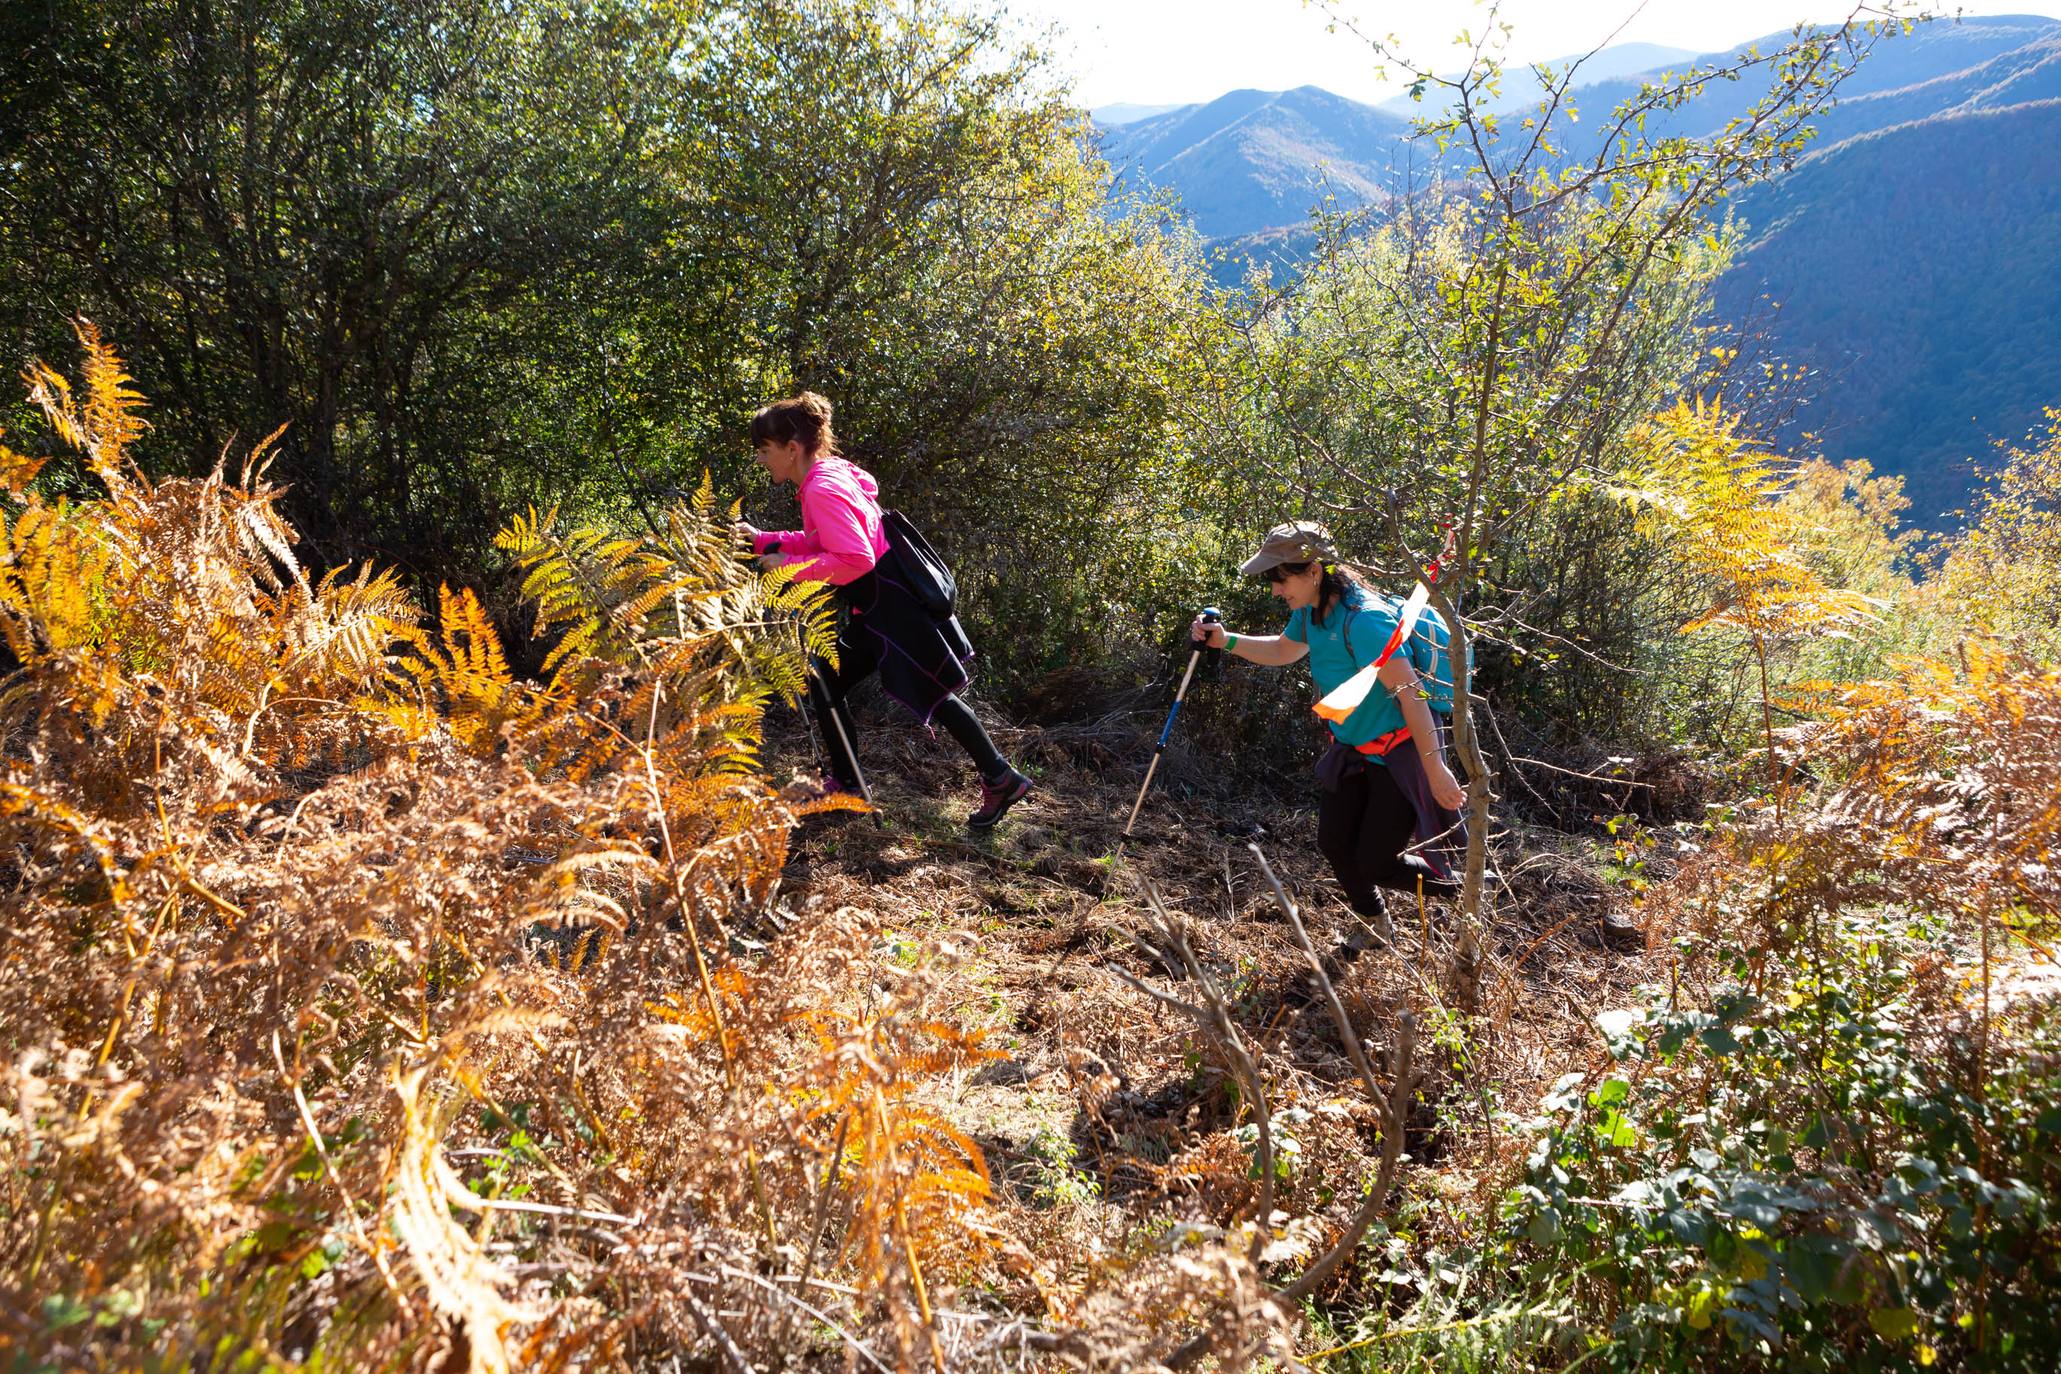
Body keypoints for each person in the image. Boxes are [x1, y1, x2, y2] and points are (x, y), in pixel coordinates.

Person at [735, 392, 1034, 829]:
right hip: (881, 606)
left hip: (892, 610)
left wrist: (788, 568)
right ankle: (850, 785)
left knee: (935, 694)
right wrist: (763, 540)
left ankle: (1001, 778)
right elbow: (823, 540)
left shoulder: (821, 488)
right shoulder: (830, 473)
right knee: (825, 677)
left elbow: (855, 558)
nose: (761, 460)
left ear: (792, 448)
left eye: (765, 450)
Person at [1190, 521, 1468, 929]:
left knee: (1375, 862)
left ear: (1314, 571)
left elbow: (1412, 695)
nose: (1275, 590)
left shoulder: (1365, 621)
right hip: (1353, 749)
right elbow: (1284, 650)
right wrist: (1225, 640)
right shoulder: (1311, 611)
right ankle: (1374, 927)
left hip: (1400, 751)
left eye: (1280, 579)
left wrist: (1435, 768)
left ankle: (1472, 888)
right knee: (1335, 843)